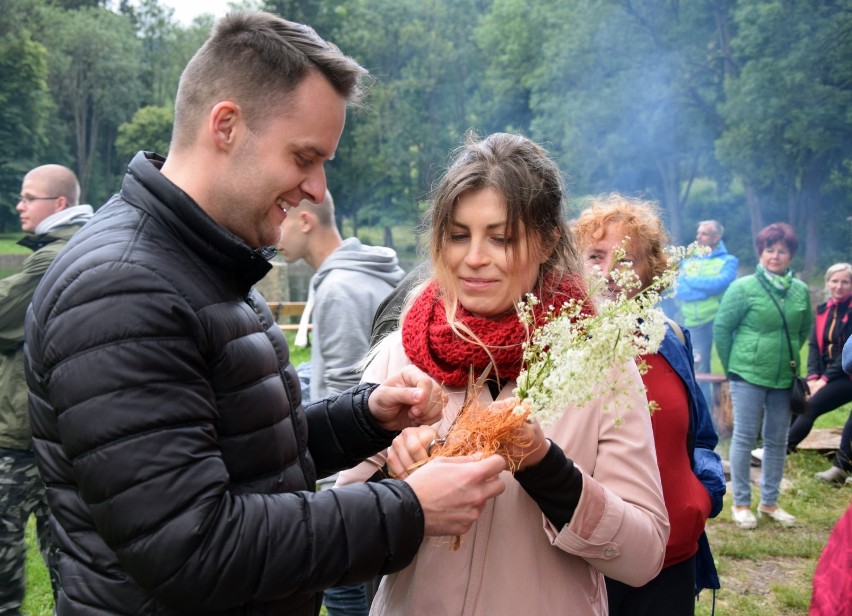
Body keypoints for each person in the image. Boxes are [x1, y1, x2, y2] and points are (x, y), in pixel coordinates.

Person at [23, 13, 507, 615]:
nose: (316, 187)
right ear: (226, 125)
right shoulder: (121, 290)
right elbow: (192, 546)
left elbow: (242, 447)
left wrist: (366, 417)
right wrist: (408, 509)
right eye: (304, 156)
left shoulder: (210, 259)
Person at [337, 132, 670, 615]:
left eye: (501, 238)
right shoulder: (403, 351)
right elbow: (341, 543)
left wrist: (544, 465)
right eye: (457, 235)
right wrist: (396, 482)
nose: (473, 258)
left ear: (548, 239)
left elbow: (644, 555)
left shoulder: (599, 363)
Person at [572, 194, 725, 615]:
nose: (607, 272)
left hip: (672, 555)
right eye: (595, 255)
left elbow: (702, 438)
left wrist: (704, 493)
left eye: (625, 260)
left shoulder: (670, 337)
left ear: (647, 273)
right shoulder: (554, 351)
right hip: (583, 562)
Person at [277, 189, 406, 615]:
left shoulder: (339, 289)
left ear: (305, 222)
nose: (276, 229)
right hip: (382, 483)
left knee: (346, 597)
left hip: (353, 491)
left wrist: (334, 508)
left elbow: (348, 390)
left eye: (284, 216)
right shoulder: (369, 273)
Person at [0, 164, 91, 613]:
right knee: (70, 554)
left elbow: (2, 315)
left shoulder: (54, 255)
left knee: (9, 557)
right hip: (64, 428)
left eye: (27, 197)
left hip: (25, 435)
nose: (19, 206)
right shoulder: (85, 245)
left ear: (59, 204)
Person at [714, 222, 813, 529]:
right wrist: (733, 368)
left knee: (777, 439)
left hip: (785, 376)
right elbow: (723, 328)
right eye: (770, 249)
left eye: (782, 251)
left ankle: (769, 502)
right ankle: (742, 503)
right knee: (744, 437)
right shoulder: (743, 288)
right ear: (761, 252)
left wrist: (791, 357)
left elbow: (803, 329)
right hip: (747, 374)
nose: (775, 256)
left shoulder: (800, 290)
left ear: (791, 255)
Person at [783, 263, 852, 482]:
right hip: (824, 375)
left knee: (810, 406)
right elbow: (813, 347)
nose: (839, 286)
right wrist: (813, 377)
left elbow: (847, 354)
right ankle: (777, 448)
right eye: (834, 281)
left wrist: (824, 379)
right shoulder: (823, 310)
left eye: (845, 282)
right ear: (827, 283)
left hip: (846, 375)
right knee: (795, 392)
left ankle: (780, 450)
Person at [674, 220, 739, 409]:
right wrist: (704, 291)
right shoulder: (689, 261)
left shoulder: (728, 261)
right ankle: (705, 413)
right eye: (698, 233)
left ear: (716, 237)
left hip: (720, 320)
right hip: (694, 322)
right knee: (699, 368)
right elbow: (679, 289)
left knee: (731, 363)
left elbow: (721, 283)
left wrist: (692, 281)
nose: (698, 237)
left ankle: (734, 410)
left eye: (704, 233)